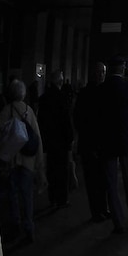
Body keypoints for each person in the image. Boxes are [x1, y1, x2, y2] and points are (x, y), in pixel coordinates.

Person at [0, 79, 45, 244]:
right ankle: (29, 227)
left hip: (11, 162)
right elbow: (37, 137)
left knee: (12, 196)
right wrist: (39, 164)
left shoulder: (6, 110)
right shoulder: (29, 111)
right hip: (28, 162)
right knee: (27, 197)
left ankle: (15, 225)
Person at [100, 56, 128, 233]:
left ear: (109, 69)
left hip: (107, 143)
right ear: (124, 67)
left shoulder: (101, 89)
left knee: (111, 183)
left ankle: (118, 222)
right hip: (127, 141)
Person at [75, 62, 111, 222]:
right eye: (98, 72)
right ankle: (96, 211)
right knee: (92, 180)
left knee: (102, 180)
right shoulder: (85, 94)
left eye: (103, 72)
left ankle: (103, 208)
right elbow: (79, 119)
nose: (100, 75)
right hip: (89, 144)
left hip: (102, 144)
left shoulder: (106, 92)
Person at [39, 70, 75, 209]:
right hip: (61, 141)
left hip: (49, 140)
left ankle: (52, 197)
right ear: (60, 81)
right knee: (62, 171)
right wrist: (70, 138)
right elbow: (66, 121)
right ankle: (62, 199)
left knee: (51, 170)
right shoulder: (62, 98)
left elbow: (41, 120)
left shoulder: (44, 98)